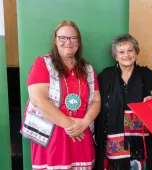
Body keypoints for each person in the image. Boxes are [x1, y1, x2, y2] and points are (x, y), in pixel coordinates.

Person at [20, 20, 101, 170]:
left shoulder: (88, 69)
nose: (68, 42)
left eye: (73, 38)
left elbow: (96, 100)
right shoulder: (42, 63)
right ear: (55, 41)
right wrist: (70, 125)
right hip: (51, 136)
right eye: (62, 37)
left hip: (81, 134)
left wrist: (84, 123)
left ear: (79, 42)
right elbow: (38, 100)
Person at [95, 34, 152, 170]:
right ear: (115, 56)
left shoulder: (148, 76)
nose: (126, 55)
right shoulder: (105, 76)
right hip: (113, 142)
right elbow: (97, 105)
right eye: (121, 52)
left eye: (130, 50)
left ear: (136, 52)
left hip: (141, 143)